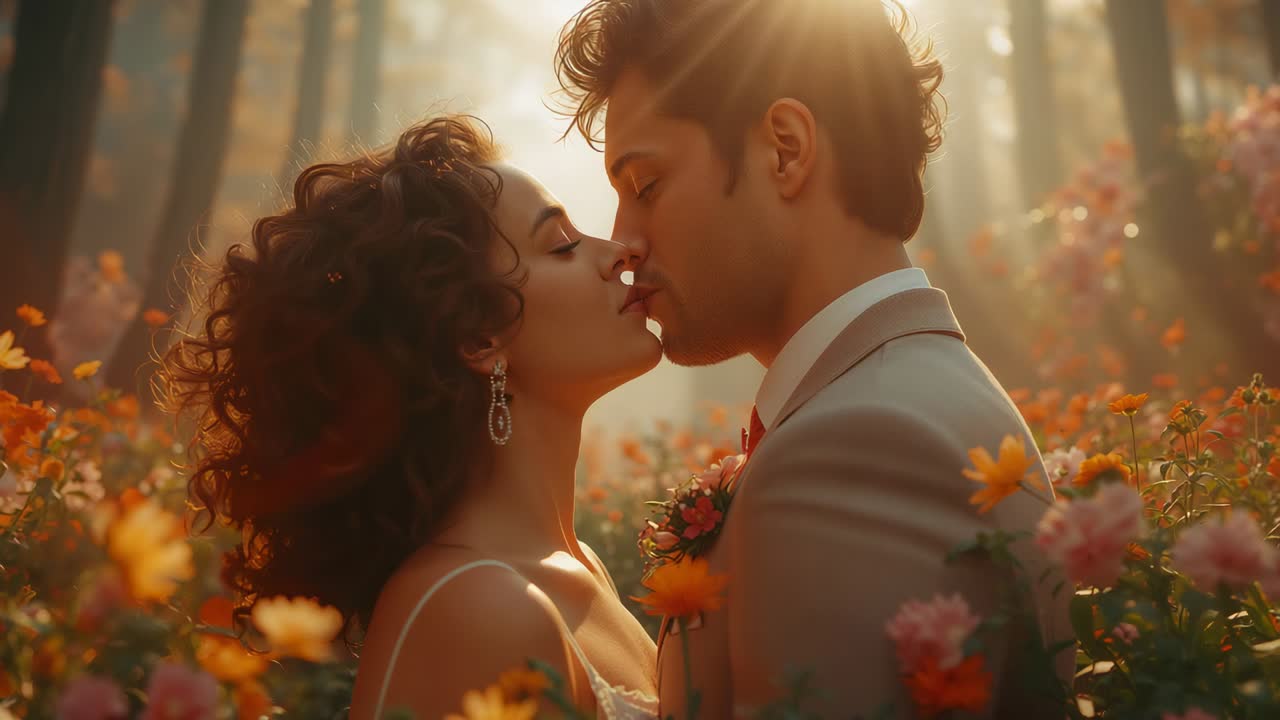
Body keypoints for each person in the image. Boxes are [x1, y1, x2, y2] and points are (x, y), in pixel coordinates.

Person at [554, 0, 1074, 716]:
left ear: (786, 150)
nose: (624, 241)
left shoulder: (855, 443)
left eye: (645, 185)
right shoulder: (909, 392)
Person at [161, 115, 661, 719]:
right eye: (562, 245)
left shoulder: (576, 569)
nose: (621, 253)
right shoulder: (475, 607)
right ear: (478, 340)